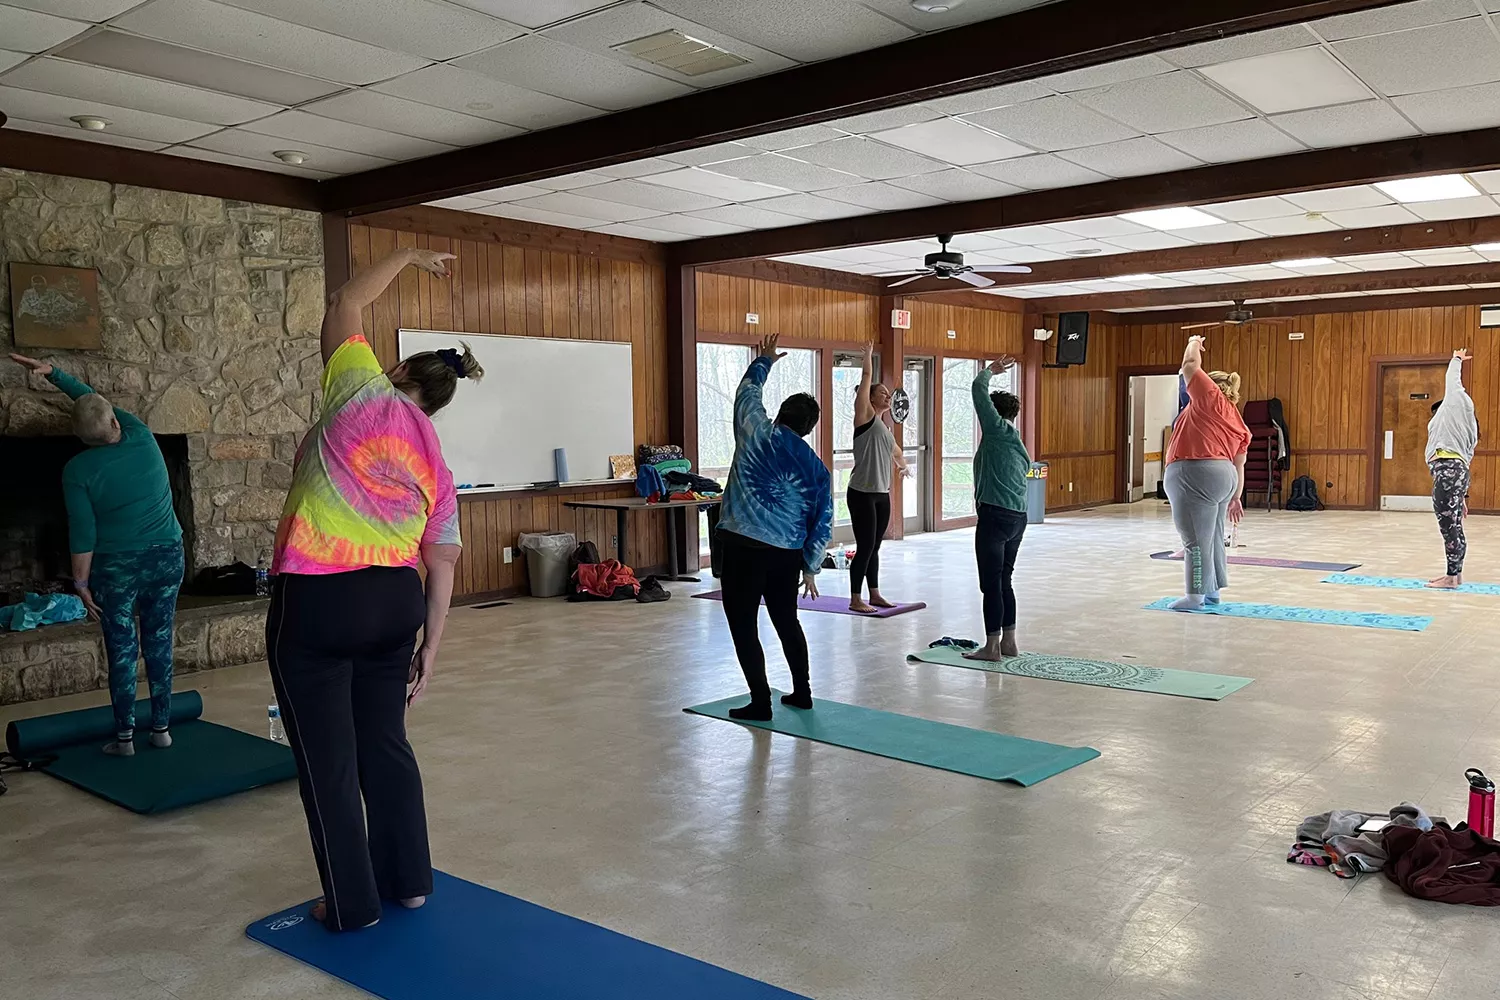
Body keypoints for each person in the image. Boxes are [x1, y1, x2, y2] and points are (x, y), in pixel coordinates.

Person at [268, 246, 482, 932]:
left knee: (328, 762)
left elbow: (344, 304)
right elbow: (442, 566)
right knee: (385, 744)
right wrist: (432, 652)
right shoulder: (436, 463)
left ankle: (353, 906)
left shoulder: (359, 388)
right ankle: (410, 883)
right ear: (441, 405)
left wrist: (410, 255)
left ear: (396, 371)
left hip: (319, 600)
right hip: (396, 606)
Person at [8, 352, 184, 757]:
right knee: (158, 640)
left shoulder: (78, 470)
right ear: (115, 422)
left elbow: (83, 534)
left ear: (82, 439)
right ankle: (161, 730)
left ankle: (124, 739)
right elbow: (92, 397)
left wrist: (81, 584)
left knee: (122, 647)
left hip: (117, 569)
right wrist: (57, 375)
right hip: (167, 559)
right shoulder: (140, 432)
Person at [716, 333, 833, 721]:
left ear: (781, 413)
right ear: (809, 428)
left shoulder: (755, 433)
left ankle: (761, 701)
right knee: (787, 621)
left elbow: (746, 393)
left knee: (744, 625)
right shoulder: (816, 467)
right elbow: (823, 521)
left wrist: (765, 360)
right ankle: (802, 692)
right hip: (785, 556)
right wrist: (811, 566)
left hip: (741, 548)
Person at [1162, 336, 1250, 611]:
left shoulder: (1209, 399)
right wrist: (1236, 497)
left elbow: (1189, 364)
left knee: (1194, 540)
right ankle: (1212, 592)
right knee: (1212, 536)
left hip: (1195, 473)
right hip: (1225, 478)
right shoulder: (1236, 418)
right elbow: (1240, 463)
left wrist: (1191, 342)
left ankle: (1194, 596)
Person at [963, 357, 1033, 661]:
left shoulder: (995, 432)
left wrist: (990, 371)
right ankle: (1009, 642)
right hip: (1018, 518)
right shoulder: (1017, 441)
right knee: (1004, 580)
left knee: (990, 583)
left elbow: (978, 389)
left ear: (994, 413)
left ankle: (991, 646)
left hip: (995, 516)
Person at [846, 343, 909, 613]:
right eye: (882, 393)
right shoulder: (865, 417)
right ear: (869, 400)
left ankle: (874, 593)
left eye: (888, 393)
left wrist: (903, 466)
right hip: (861, 492)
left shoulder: (885, 428)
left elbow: (897, 452)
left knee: (875, 546)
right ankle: (854, 598)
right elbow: (866, 379)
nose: (887, 396)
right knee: (865, 545)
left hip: (881, 493)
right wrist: (868, 358)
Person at [1425, 348, 1479, 589]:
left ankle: (1450, 578)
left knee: (1448, 527)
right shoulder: (1467, 427)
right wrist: (1462, 495)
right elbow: (1466, 460)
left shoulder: (1456, 402)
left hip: (1447, 470)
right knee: (1455, 525)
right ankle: (1456, 575)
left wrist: (1456, 359)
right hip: (1455, 472)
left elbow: (1452, 380)